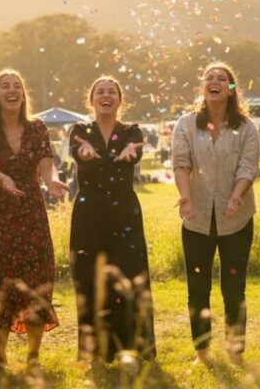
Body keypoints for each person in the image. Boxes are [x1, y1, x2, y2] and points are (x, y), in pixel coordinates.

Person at [0, 70, 66, 370]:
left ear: (23, 94)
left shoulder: (37, 128)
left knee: (37, 282)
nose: (12, 90)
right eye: (5, 86)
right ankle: (0, 358)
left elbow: (46, 165)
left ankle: (33, 357)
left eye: (17, 86)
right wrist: (4, 180)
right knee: (0, 286)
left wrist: (52, 182)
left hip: (32, 214)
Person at [171, 62, 259, 365]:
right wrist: (184, 196)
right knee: (198, 289)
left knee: (234, 288)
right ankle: (203, 353)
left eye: (222, 78)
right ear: (202, 87)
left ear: (231, 89)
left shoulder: (246, 127)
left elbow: (249, 167)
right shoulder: (186, 124)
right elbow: (180, 163)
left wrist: (236, 196)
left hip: (237, 218)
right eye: (209, 77)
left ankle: (235, 353)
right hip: (195, 217)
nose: (215, 81)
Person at [69, 76, 156, 364]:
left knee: (130, 276)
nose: (106, 96)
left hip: (124, 212)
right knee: (89, 276)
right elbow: (77, 151)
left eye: (111, 92)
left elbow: (136, 147)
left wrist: (132, 152)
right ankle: (94, 350)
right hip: (88, 210)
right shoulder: (80, 130)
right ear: (91, 99)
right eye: (100, 91)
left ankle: (134, 347)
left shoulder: (131, 130)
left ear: (120, 100)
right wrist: (83, 154)